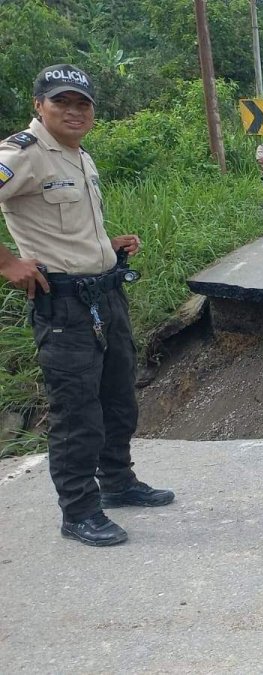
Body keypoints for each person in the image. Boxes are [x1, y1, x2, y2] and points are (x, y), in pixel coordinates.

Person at [0, 64, 174, 547]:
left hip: (104, 293)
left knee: (118, 397)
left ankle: (117, 482)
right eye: (62, 103)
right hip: (64, 308)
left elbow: (64, 225)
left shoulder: (77, 155)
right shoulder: (23, 153)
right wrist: (7, 262)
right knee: (77, 411)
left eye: (83, 104)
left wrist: (105, 246)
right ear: (39, 106)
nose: (74, 112)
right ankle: (78, 511)